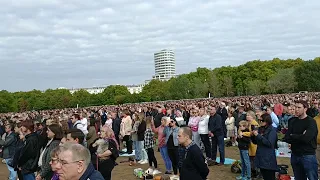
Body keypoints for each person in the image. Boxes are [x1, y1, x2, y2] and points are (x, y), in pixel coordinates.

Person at [284, 100, 318, 180]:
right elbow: (287, 137)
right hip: (295, 154)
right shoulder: (292, 121)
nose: (296, 109)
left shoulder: (311, 122)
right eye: (295, 107)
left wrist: (294, 136)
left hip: (307, 155)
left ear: (305, 109)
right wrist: (300, 136)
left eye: (299, 107)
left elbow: (307, 138)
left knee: (312, 177)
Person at [252, 114, 278, 180]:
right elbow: (255, 142)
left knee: (269, 176)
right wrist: (253, 136)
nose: (260, 122)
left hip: (268, 157)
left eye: (262, 120)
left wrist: (258, 136)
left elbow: (269, 143)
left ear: (267, 121)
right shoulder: (260, 129)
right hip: (260, 156)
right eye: (259, 120)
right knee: (264, 175)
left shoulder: (272, 130)